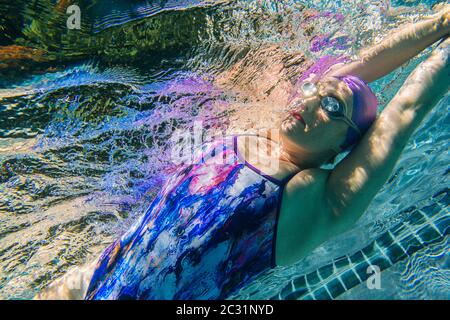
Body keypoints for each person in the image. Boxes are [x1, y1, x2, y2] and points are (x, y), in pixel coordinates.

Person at [37, 7, 450, 300]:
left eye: (331, 108)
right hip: (91, 284)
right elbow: (355, 68)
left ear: (344, 145)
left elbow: (404, 113)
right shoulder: (263, 136)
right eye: (313, 93)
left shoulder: (315, 199)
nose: (308, 103)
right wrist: (438, 22)